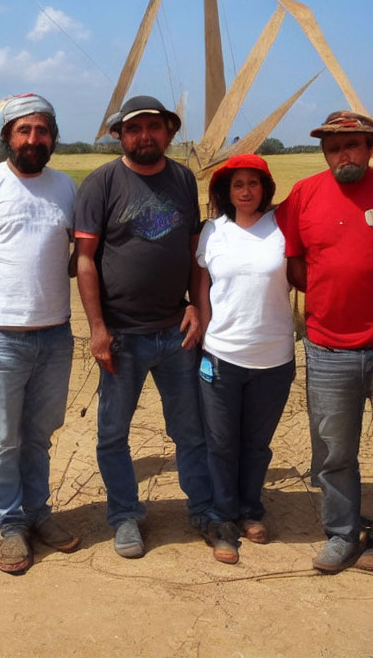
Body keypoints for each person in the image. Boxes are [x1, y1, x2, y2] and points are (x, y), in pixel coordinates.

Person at [74, 95, 213, 558]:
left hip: (176, 331)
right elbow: (86, 261)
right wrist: (97, 328)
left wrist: (196, 303)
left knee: (190, 429)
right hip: (122, 335)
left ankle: (204, 509)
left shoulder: (182, 180)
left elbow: (195, 250)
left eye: (154, 127)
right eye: (135, 129)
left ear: (169, 132)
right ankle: (125, 516)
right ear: (120, 135)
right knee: (113, 431)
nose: (145, 136)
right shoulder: (102, 183)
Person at [0, 93, 79, 574]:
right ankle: (10, 524)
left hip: (56, 333)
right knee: (3, 438)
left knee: (39, 434)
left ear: (52, 137)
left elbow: (75, 257)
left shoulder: (66, 187)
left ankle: (39, 514)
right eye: (23, 131)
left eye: (41, 130)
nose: (33, 139)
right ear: (7, 136)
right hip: (1, 334)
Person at [276, 110, 373, 573]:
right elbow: (294, 264)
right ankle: (340, 534)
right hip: (329, 347)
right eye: (333, 148)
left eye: (352, 145)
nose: (343, 154)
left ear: (370, 148)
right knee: (335, 451)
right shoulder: (304, 195)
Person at [195, 154, 295, 564]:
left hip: (274, 357)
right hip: (222, 354)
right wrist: (200, 322)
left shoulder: (283, 229)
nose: (247, 191)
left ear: (266, 189)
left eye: (254, 183)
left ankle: (251, 510)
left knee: (256, 445)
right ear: (227, 191)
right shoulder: (212, 232)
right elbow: (200, 282)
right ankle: (221, 518)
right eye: (238, 184)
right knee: (220, 443)